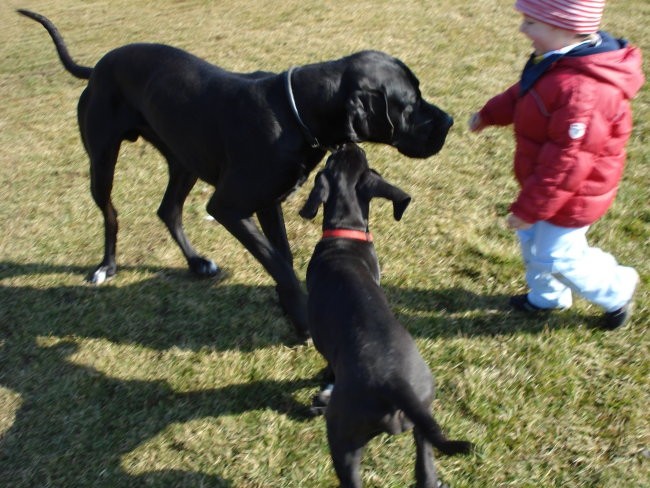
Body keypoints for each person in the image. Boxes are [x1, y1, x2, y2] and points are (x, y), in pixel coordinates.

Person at [468, 0, 644, 328]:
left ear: (563, 28)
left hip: (572, 196)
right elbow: (523, 94)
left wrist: (529, 209)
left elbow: (566, 166)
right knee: (534, 243)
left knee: (557, 255)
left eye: (531, 23)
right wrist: (489, 115)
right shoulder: (558, 62)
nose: (523, 29)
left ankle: (617, 289)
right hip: (548, 189)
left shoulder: (583, 93)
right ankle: (548, 297)